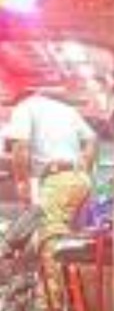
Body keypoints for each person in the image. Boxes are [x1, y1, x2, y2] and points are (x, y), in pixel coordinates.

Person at [4, 86, 97, 310]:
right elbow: (92, 140)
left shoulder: (24, 108)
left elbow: (20, 147)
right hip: (78, 181)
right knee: (66, 243)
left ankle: (51, 303)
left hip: (57, 181)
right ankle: (65, 297)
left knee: (49, 243)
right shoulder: (65, 109)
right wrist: (82, 169)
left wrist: (22, 184)